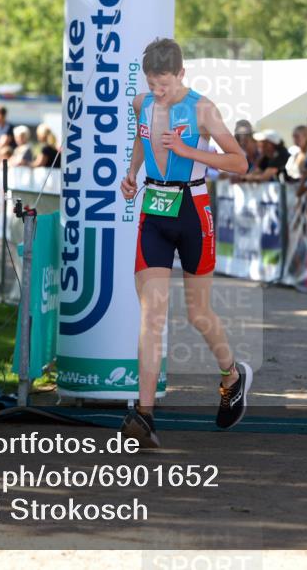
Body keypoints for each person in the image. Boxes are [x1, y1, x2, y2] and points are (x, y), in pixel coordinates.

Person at [119, 38, 251, 448]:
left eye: (165, 84)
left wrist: (189, 149)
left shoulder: (202, 108)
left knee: (198, 312)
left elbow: (240, 161)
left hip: (193, 211)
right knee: (151, 316)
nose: (158, 91)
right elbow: (142, 139)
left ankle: (231, 374)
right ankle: (144, 415)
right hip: (155, 212)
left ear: (181, 74)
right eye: (152, 83)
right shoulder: (141, 103)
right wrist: (132, 172)